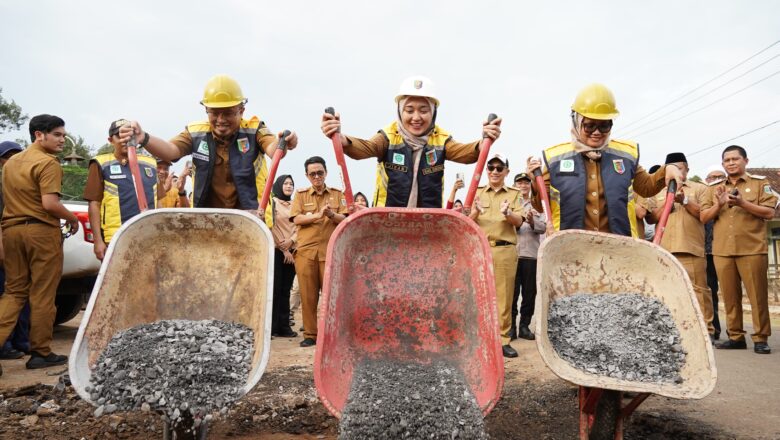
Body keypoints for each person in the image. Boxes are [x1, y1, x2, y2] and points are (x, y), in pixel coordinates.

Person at [118, 74, 297, 219]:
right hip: (206, 218)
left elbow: (273, 149)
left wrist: (284, 142)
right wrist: (144, 137)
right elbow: (171, 151)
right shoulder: (196, 133)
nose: (220, 120)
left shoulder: (255, 128)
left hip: (249, 217)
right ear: (206, 111)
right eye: (214, 113)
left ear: (241, 111)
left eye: (228, 113)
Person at [320, 76, 501, 208]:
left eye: (423, 110)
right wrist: (342, 139)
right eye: (409, 110)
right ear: (400, 111)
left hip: (427, 220)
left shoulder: (441, 139)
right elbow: (365, 148)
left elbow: (466, 153)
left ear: (433, 113)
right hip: (388, 219)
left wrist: (484, 140)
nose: (416, 117)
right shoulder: (388, 136)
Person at [527, 83, 681, 237]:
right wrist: (534, 183)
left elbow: (647, 187)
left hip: (617, 247)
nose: (597, 132)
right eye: (589, 126)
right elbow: (540, 206)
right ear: (576, 121)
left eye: (604, 126)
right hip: (570, 249)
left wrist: (668, 168)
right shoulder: (555, 158)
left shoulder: (625, 155)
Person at [0, 115, 79, 372]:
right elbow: (49, 204)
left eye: (63, 135)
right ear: (39, 135)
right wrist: (71, 218)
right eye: (57, 134)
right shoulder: (48, 163)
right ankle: (40, 352)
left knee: (13, 292)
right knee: (43, 293)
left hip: (11, 231)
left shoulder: (10, 165)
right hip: (40, 232)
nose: (62, 139)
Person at [700, 145, 776, 354]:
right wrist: (719, 203)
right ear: (723, 164)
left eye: (735, 159)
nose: (731, 163)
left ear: (746, 161)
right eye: (727, 160)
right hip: (722, 249)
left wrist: (742, 203)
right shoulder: (713, 188)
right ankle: (735, 336)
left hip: (751, 248)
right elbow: (703, 217)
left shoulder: (760, 184)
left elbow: (769, 213)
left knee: (757, 296)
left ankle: (761, 338)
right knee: (730, 297)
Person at [650, 153, 715, 340]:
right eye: (672, 168)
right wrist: (667, 205)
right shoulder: (657, 190)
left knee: (699, 292)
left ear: (687, 169)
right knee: (665, 291)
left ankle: (705, 332)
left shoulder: (700, 189)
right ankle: (671, 332)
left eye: (680, 168)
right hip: (663, 250)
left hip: (690, 248)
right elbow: (649, 217)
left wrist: (685, 201)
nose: (676, 172)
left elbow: (704, 215)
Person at [469, 154, 524, 358]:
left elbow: (519, 222)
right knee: (477, 295)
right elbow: (465, 221)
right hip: (480, 250)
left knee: (504, 297)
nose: (494, 171)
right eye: (491, 167)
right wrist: (474, 212)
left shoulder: (515, 194)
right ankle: (479, 339)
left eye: (499, 168)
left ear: (506, 172)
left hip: (504, 250)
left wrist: (508, 213)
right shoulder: (477, 192)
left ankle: (503, 340)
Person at [291, 157, 348, 347]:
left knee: (331, 296)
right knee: (308, 296)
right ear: (307, 176)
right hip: (306, 252)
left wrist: (331, 215)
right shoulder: (300, 195)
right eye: (312, 173)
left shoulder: (337, 194)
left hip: (330, 252)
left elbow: (346, 218)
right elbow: (296, 218)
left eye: (320, 172)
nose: (317, 176)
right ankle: (310, 335)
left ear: (326, 173)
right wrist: (318, 215)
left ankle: (332, 334)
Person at [83, 119, 159, 260]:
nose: (126, 140)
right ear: (111, 140)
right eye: (120, 136)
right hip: (116, 237)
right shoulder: (101, 163)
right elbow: (94, 204)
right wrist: (98, 241)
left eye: (130, 136)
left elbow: (159, 201)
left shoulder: (151, 163)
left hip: (149, 234)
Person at [0, 141, 30, 362]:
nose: (12, 160)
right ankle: (5, 344)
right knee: (8, 295)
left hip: (20, 246)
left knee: (23, 295)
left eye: (16, 156)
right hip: (5, 246)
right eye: (7, 157)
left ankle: (22, 341)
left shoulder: (23, 183)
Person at [511, 172, 546, 341]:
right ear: (514, 185)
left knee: (529, 293)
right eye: (519, 183)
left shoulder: (537, 205)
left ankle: (524, 326)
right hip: (512, 255)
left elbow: (544, 227)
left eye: (526, 183)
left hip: (531, 255)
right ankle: (510, 326)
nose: (523, 186)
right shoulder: (508, 203)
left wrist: (532, 221)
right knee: (511, 293)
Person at [270, 174, 298, 338]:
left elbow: (299, 226)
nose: (288, 186)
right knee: (275, 289)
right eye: (286, 183)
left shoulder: (295, 204)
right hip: (277, 250)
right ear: (279, 185)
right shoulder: (272, 203)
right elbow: (270, 224)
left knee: (286, 290)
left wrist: (292, 242)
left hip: (293, 251)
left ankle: (284, 327)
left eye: (291, 183)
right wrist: (284, 248)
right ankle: (272, 327)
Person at [704, 165, 727, 340]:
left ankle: (736, 333)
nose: (716, 180)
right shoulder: (703, 197)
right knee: (710, 292)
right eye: (712, 177)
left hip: (727, 250)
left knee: (730, 292)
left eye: (720, 176)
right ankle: (715, 329)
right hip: (707, 252)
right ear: (707, 181)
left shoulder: (731, 197)